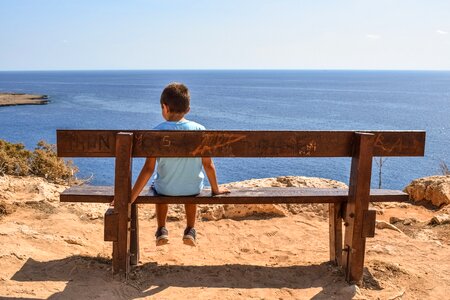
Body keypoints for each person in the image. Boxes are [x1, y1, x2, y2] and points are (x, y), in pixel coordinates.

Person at [130, 82, 230, 247]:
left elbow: (148, 169)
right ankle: (190, 230)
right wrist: (216, 189)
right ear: (188, 109)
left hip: (165, 189)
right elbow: (208, 165)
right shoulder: (200, 130)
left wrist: (131, 198)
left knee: (157, 185)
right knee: (191, 186)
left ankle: (161, 229)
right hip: (192, 189)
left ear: (164, 107)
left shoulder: (156, 132)